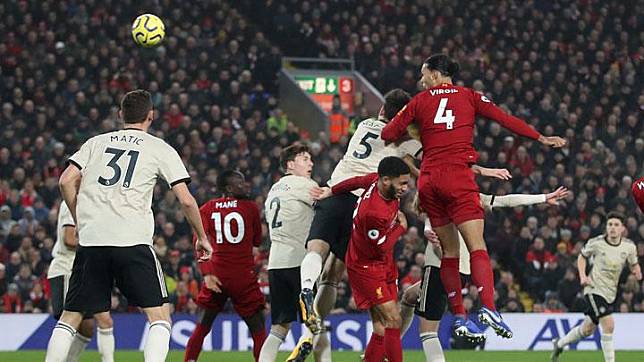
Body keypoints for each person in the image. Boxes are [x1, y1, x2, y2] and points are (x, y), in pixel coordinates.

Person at [381, 53, 567, 339]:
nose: (421, 80)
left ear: (434, 73)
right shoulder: (470, 96)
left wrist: (412, 125)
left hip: (429, 180)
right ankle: (489, 307)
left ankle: (459, 316)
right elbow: (505, 119)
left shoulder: (418, 102)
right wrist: (540, 138)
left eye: (423, 74)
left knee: (450, 254)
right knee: (477, 246)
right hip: (458, 176)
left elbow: (389, 133)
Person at [45, 89, 212, 362]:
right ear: (151, 116)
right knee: (159, 317)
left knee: (70, 317)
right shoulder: (159, 147)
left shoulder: (96, 143)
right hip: (132, 241)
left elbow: (65, 180)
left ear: (121, 115)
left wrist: (80, 217)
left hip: (93, 241)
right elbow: (186, 200)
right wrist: (201, 236)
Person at [298, 89, 421, 334]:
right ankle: (313, 335)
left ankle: (306, 288)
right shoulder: (407, 140)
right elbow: (419, 158)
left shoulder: (365, 124)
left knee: (317, 248)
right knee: (333, 273)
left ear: (382, 110)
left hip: (335, 191)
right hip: (363, 206)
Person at [400, 186, 569, 361]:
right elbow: (507, 200)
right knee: (410, 296)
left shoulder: (437, 203)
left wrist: (430, 233)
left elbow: (427, 217)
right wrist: (543, 197)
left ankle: (392, 350)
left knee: (428, 331)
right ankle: (389, 348)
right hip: (462, 273)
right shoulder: (471, 197)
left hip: (440, 268)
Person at [312, 156, 411, 362]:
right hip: (367, 268)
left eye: (406, 183)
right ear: (386, 181)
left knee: (381, 327)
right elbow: (381, 245)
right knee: (393, 320)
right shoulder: (374, 213)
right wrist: (401, 227)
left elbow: (355, 181)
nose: (405, 188)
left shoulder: (375, 181)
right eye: (402, 183)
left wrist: (332, 190)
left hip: (383, 263)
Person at [185, 170, 267, 362]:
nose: (245, 185)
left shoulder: (206, 209)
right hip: (243, 278)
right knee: (258, 329)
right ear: (228, 188)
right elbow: (257, 241)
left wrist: (206, 273)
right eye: (240, 182)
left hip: (216, 276)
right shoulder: (250, 207)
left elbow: (199, 240)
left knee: (202, 325)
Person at [551, 212, 642, 362]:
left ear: (623, 229)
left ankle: (559, 343)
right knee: (609, 324)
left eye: (616, 225)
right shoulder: (597, 243)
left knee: (588, 329)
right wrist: (583, 275)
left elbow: (633, 262)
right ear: (606, 227)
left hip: (610, 292)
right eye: (610, 224)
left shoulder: (629, 247)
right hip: (593, 289)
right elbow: (582, 256)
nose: (612, 228)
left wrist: (636, 270)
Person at [259, 143, 320, 362]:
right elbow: (326, 206)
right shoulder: (304, 185)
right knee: (315, 321)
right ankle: (305, 343)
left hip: (276, 263)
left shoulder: (273, 190)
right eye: (305, 159)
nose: (310, 163)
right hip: (301, 263)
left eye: (310, 159)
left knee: (278, 328)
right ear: (290, 164)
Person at [47, 201, 115, 362]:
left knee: (89, 327)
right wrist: (100, 243)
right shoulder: (73, 202)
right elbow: (69, 239)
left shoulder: (92, 201)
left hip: (86, 269)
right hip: (67, 268)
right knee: (70, 321)